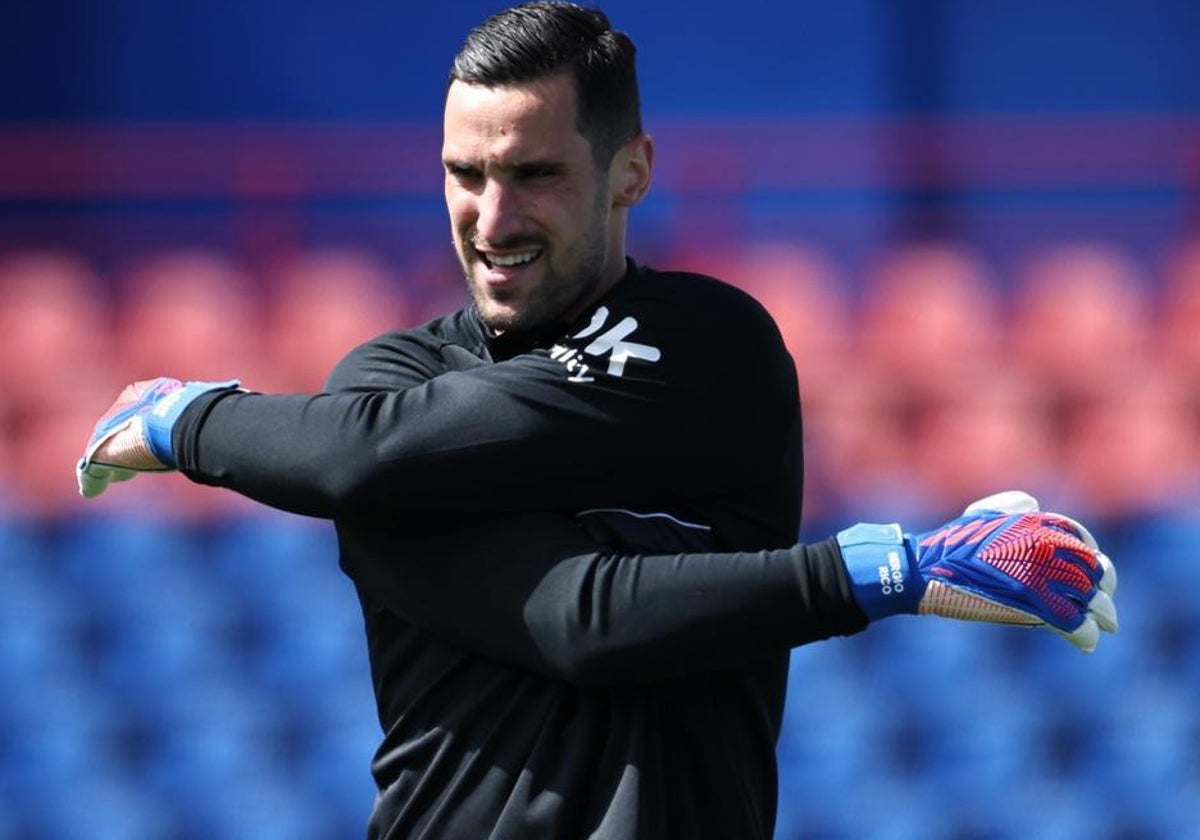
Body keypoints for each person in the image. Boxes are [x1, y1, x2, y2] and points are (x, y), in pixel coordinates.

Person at [76, 4, 1118, 839]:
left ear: (632, 171)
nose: (492, 219)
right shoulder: (386, 385)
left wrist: (193, 425)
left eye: (534, 174)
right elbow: (576, 619)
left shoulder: (712, 346)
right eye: (465, 174)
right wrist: (879, 570)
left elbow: (402, 470)